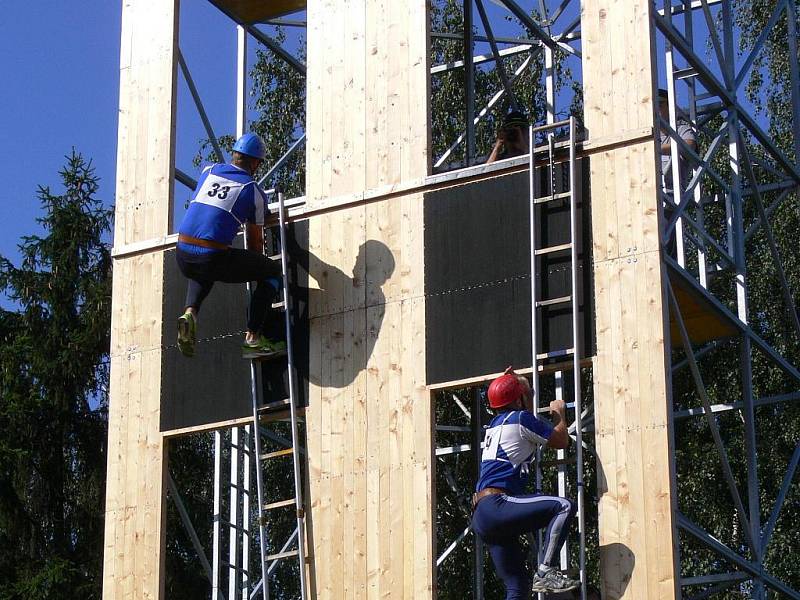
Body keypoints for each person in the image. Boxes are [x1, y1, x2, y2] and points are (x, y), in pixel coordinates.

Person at [175, 132, 285, 358]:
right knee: (272, 272)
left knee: (203, 268)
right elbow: (255, 243)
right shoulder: (252, 190)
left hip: (183, 252)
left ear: (234, 155)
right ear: (255, 163)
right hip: (211, 255)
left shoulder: (209, 171)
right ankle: (253, 339)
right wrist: (258, 267)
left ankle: (190, 313)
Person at [472, 367, 579, 598]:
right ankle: (546, 570)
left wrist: (512, 385)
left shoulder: (495, 425)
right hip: (498, 505)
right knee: (564, 506)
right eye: (527, 393)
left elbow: (515, 406)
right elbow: (561, 441)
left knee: (517, 586)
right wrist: (559, 414)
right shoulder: (522, 419)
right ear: (519, 399)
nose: (529, 396)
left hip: (483, 514)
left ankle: (540, 574)